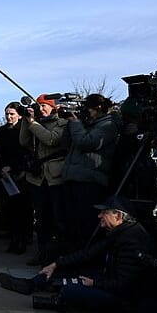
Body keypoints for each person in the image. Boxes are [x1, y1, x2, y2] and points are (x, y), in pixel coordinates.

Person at [0, 196, 157, 313]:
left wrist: (95, 283)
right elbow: (89, 253)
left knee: (70, 291)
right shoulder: (118, 232)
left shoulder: (132, 241)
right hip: (108, 278)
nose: (99, 216)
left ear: (119, 216)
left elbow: (124, 284)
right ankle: (32, 283)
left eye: (104, 212)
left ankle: (57, 296)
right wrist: (56, 263)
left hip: (121, 298)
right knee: (63, 272)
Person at [61, 94, 119, 251]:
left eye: (89, 109)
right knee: (71, 224)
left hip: (90, 182)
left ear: (98, 108)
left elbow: (87, 143)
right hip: (73, 178)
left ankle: (87, 262)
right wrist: (71, 123)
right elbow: (65, 144)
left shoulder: (108, 124)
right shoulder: (85, 124)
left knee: (86, 224)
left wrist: (75, 123)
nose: (87, 112)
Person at [19, 94, 68, 265]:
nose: (42, 109)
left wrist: (33, 123)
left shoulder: (62, 123)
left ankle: (58, 256)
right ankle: (42, 253)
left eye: (45, 105)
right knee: (41, 220)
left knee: (58, 219)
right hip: (38, 178)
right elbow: (23, 141)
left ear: (54, 107)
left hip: (55, 177)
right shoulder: (35, 122)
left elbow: (51, 139)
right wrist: (26, 121)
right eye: (39, 105)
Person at [0, 102, 32, 254]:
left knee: (22, 209)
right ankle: (13, 240)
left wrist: (15, 168)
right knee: (9, 209)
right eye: (7, 114)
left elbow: (25, 152)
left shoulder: (23, 130)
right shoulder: (1, 131)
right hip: (5, 174)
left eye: (12, 114)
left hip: (20, 173)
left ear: (19, 115)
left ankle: (22, 240)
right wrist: (2, 168)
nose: (9, 117)